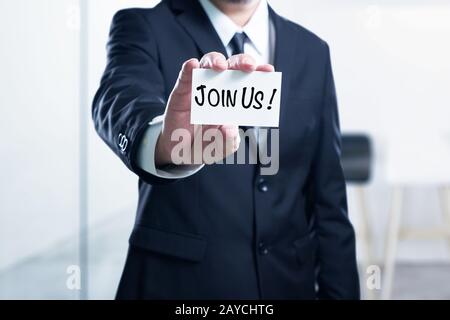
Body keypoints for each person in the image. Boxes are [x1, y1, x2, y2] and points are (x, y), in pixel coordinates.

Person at [92, 0, 360, 299]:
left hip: (286, 285)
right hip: (179, 289)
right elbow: (119, 99)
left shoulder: (313, 50)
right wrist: (162, 142)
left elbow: (329, 202)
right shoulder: (145, 26)